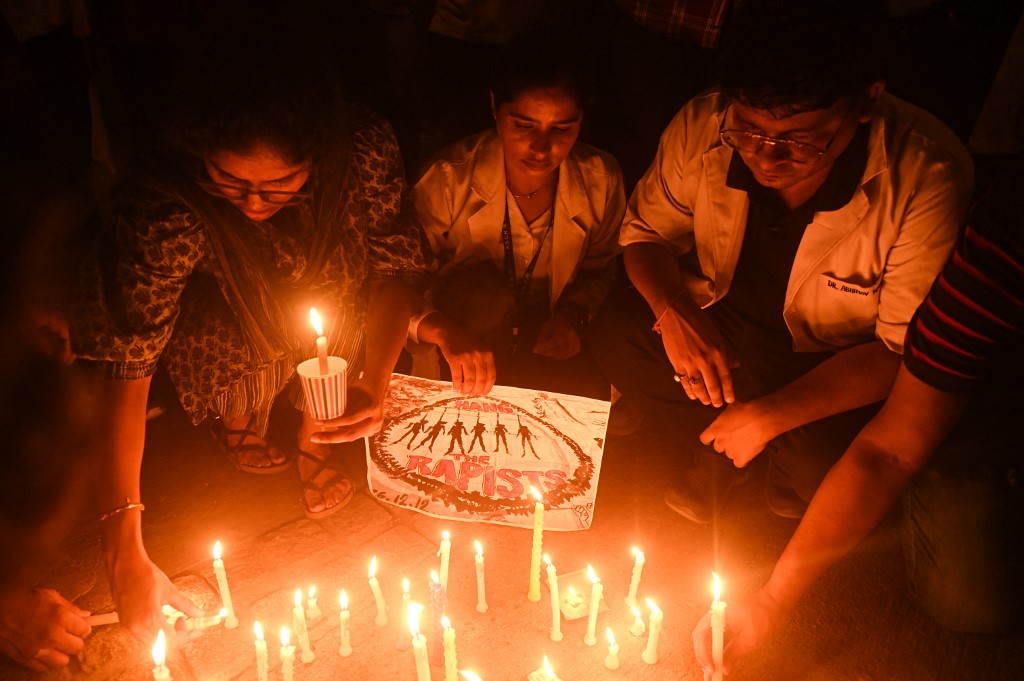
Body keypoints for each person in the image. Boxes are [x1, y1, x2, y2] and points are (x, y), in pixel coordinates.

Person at [68, 28, 428, 643]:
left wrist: (376, 377)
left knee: (336, 319)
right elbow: (126, 363)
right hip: (228, 316)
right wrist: (123, 545)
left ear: (317, 157)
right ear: (198, 149)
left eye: (281, 183)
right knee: (215, 331)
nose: (255, 202)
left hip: (326, 297)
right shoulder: (163, 204)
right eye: (231, 184)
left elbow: (395, 264)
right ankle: (239, 413)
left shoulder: (362, 148)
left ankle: (316, 425)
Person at [587, 0, 973, 523]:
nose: (767, 159)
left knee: (820, 473)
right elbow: (645, 234)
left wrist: (768, 416)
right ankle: (731, 442)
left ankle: (752, 446)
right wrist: (673, 311)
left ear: (865, 103)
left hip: (826, 361)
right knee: (617, 335)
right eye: (749, 131)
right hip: (722, 327)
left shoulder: (926, 174)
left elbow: (903, 352)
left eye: (800, 141)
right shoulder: (706, 121)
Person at [692, 165, 1024, 678]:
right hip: (991, 396)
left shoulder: (924, 168)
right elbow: (888, 450)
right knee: (970, 602)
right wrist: (772, 599)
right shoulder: (1005, 252)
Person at [412, 27, 626, 398]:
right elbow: (400, 284)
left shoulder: (601, 181)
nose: (542, 147)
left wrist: (573, 316)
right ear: (495, 105)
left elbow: (604, 268)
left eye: (562, 127)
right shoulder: (449, 180)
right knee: (482, 298)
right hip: (466, 329)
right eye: (524, 125)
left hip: (550, 333)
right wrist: (444, 331)